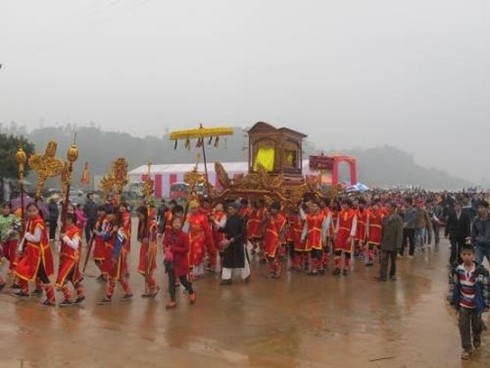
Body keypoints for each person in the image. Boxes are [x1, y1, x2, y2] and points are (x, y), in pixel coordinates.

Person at [448, 244, 490, 360]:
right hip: (463, 304)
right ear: (461, 255)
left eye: (469, 254)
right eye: (464, 254)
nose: (467, 257)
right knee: (463, 326)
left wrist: (486, 304)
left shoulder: (481, 272)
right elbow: (452, 285)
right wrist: (451, 299)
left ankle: (477, 335)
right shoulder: (457, 270)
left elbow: (486, 288)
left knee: (476, 325)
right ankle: (467, 348)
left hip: (476, 305)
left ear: (474, 255)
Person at [14, 203, 56, 306]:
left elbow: (36, 239)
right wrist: (20, 247)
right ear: (27, 212)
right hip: (31, 252)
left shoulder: (39, 222)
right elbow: (25, 237)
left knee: (43, 275)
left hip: (39, 253)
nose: (32, 213)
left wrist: (27, 234)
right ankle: (27, 290)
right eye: (30, 211)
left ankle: (51, 299)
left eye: (34, 210)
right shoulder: (30, 221)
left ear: (38, 211)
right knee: (21, 268)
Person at [98, 208, 133, 305]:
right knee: (119, 275)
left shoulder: (121, 229)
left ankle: (108, 296)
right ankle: (128, 291)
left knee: (112, 275)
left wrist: (115, 256)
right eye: (108, 214)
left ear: (115, 216)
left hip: (116, 253)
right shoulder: (110, 226)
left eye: (111, 214)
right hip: (109, 252)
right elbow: (104, 238)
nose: (108, 216)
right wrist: (112, 232)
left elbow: (119, 243)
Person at [163, 216, 196, 310]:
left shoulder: (184, 235)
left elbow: (186, 249)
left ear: (181, 224)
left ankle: (191, 292)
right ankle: (173, 300)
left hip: (181, 261)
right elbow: (165, 244)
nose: (177, 224)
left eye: (178, 222)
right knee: (171, 282)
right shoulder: (168, 234)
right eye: (175, 222)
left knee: (183, 281)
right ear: (172, 224)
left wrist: (174, 249)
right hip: (170, 262)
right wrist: (166, 250)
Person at [56, 213, 85, 306]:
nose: (65, 222)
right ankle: (80, 295)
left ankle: (68, 298)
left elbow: (74, 245)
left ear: (71, 220)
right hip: (66, 257)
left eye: (67, 220)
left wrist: (65, 237)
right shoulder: (67, 229)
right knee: (73, 278)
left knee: (62, 278)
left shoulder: (76, 231)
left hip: (72, 259)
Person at [219, 202, 251, 285]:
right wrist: (219, 228)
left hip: (238, 243)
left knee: (242, 260)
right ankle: (226, 278)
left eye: (232, 209)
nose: (230, 211)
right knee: (227, 260)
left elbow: (243, 233)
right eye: (229, 209)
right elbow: (226, 230)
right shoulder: (229, 219)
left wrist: (234, 238)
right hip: (230, 243)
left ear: (236, 210)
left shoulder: (241, 219)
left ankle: (246, 275)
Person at [375, 202, 403, 281]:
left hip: (394, 243)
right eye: (386, 206)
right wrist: (380, 241)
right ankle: (383, 276)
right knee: (383, 260)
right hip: (385, 242)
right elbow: (382, 231)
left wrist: (398, 245)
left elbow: (400, 233)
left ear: (393, 208)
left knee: (393, 261)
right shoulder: (385, 218)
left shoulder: (398, 219)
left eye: (388, 207)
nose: (386, 208)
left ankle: (393, 274)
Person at [301, 201, 330, 275]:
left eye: (315, 206)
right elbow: (305, 227)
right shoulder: (308, 217)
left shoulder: (322, 217)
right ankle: (315, 269)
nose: (313, 208)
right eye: (312, 206)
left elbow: (324, 229)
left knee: (318, 253)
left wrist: (324, 239)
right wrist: (303, 236)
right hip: (311, 237)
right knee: (312, 253)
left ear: (318, 208)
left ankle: (319, 267)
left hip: (318, 237)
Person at [135, 206, 159, 298]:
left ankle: (154, 287)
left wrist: (148, 239)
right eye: (137, 216)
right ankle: (152, 287)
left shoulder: (151, 222)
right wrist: (142, 239)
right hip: (143, 247)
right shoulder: (142, 223)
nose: (139, 218)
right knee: (142, 269)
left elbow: (154, 234)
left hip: (150, 248)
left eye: (139, 215)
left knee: (147, 270)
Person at [333, 199, 357, 276]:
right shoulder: (340, 213)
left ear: (349, 205)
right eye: (343, 204)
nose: (343, 206)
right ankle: (337, 267)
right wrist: (335, 233)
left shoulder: (353, 214)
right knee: (337, 251)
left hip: (348, 234)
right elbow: (337, 224)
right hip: (340, 233)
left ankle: (346, 268)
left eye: (345, 204)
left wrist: (350, 237)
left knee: (347, 252)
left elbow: (354, 226)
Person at [263, 201, 286, 278]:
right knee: (268, 255)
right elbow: (262, 223)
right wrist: (265, 217)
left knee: (271, 256)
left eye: (274, 209)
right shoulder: (269, 216)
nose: (272, 210)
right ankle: (272, 271)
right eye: (272, 208)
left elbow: (283, 231)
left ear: (278, 210)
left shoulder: (282, 219)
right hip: (268, 237)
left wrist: (280, 241)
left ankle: (278, 269)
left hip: (275, 239)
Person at [445, 201, 472, 267]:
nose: (457, 207)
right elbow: (448, 224)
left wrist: (468, 235)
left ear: (461, 207)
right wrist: (446, 233)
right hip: (453, 234)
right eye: (456, 206)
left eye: (459, 206)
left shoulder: (465, 214)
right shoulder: (451, 214)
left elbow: (467, 225)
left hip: (462, 234)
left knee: (460, 249)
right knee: (453, 248)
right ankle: (452, 262)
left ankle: (460, 261)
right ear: (454, 207)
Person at [471, 200, 490, 266]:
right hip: (479, 245)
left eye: (482, 207)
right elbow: (473, 232)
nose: (479, 209)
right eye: (478, 208)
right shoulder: (476, 219)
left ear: (487, 208)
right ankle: (478, 276)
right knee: (477, 264)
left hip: (489, 245)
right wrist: (473, 244)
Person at [92, 205, 108, 281]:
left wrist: (97, 232)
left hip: (103, 242)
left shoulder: (106, 220)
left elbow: (105, 232)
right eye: (99, 211)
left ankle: (105, 274)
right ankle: (103, 273)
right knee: (97, 259)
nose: (100, 212)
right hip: (98, 241)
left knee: (101, 259)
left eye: (102, 211)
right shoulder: (99, 219)